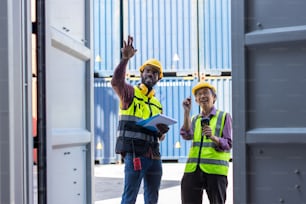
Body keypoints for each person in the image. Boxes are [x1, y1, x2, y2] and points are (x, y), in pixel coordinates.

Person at [111, 35, 170, 204]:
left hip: (155, 157)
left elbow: (160, 137)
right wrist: (125, 59)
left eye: (155, 72)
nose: (151, 74)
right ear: (142, 74)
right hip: (135, 154)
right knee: (129, 198)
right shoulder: (130, 93)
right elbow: (116, 82)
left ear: (159, 77)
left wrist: (162, 131)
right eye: (148, 71)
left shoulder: (157, 103)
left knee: (152, 199)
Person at [180, 81, 232, 204]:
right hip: (193, 169)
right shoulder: (194, 119)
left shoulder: (224, 116)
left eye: (206, 93)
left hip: (215, 170)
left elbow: (228, 143)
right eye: (199, 94)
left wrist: (213, 137)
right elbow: (186, 135)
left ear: (214, 98)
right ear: (196, 100)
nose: (202, 96)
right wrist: (186, 112)